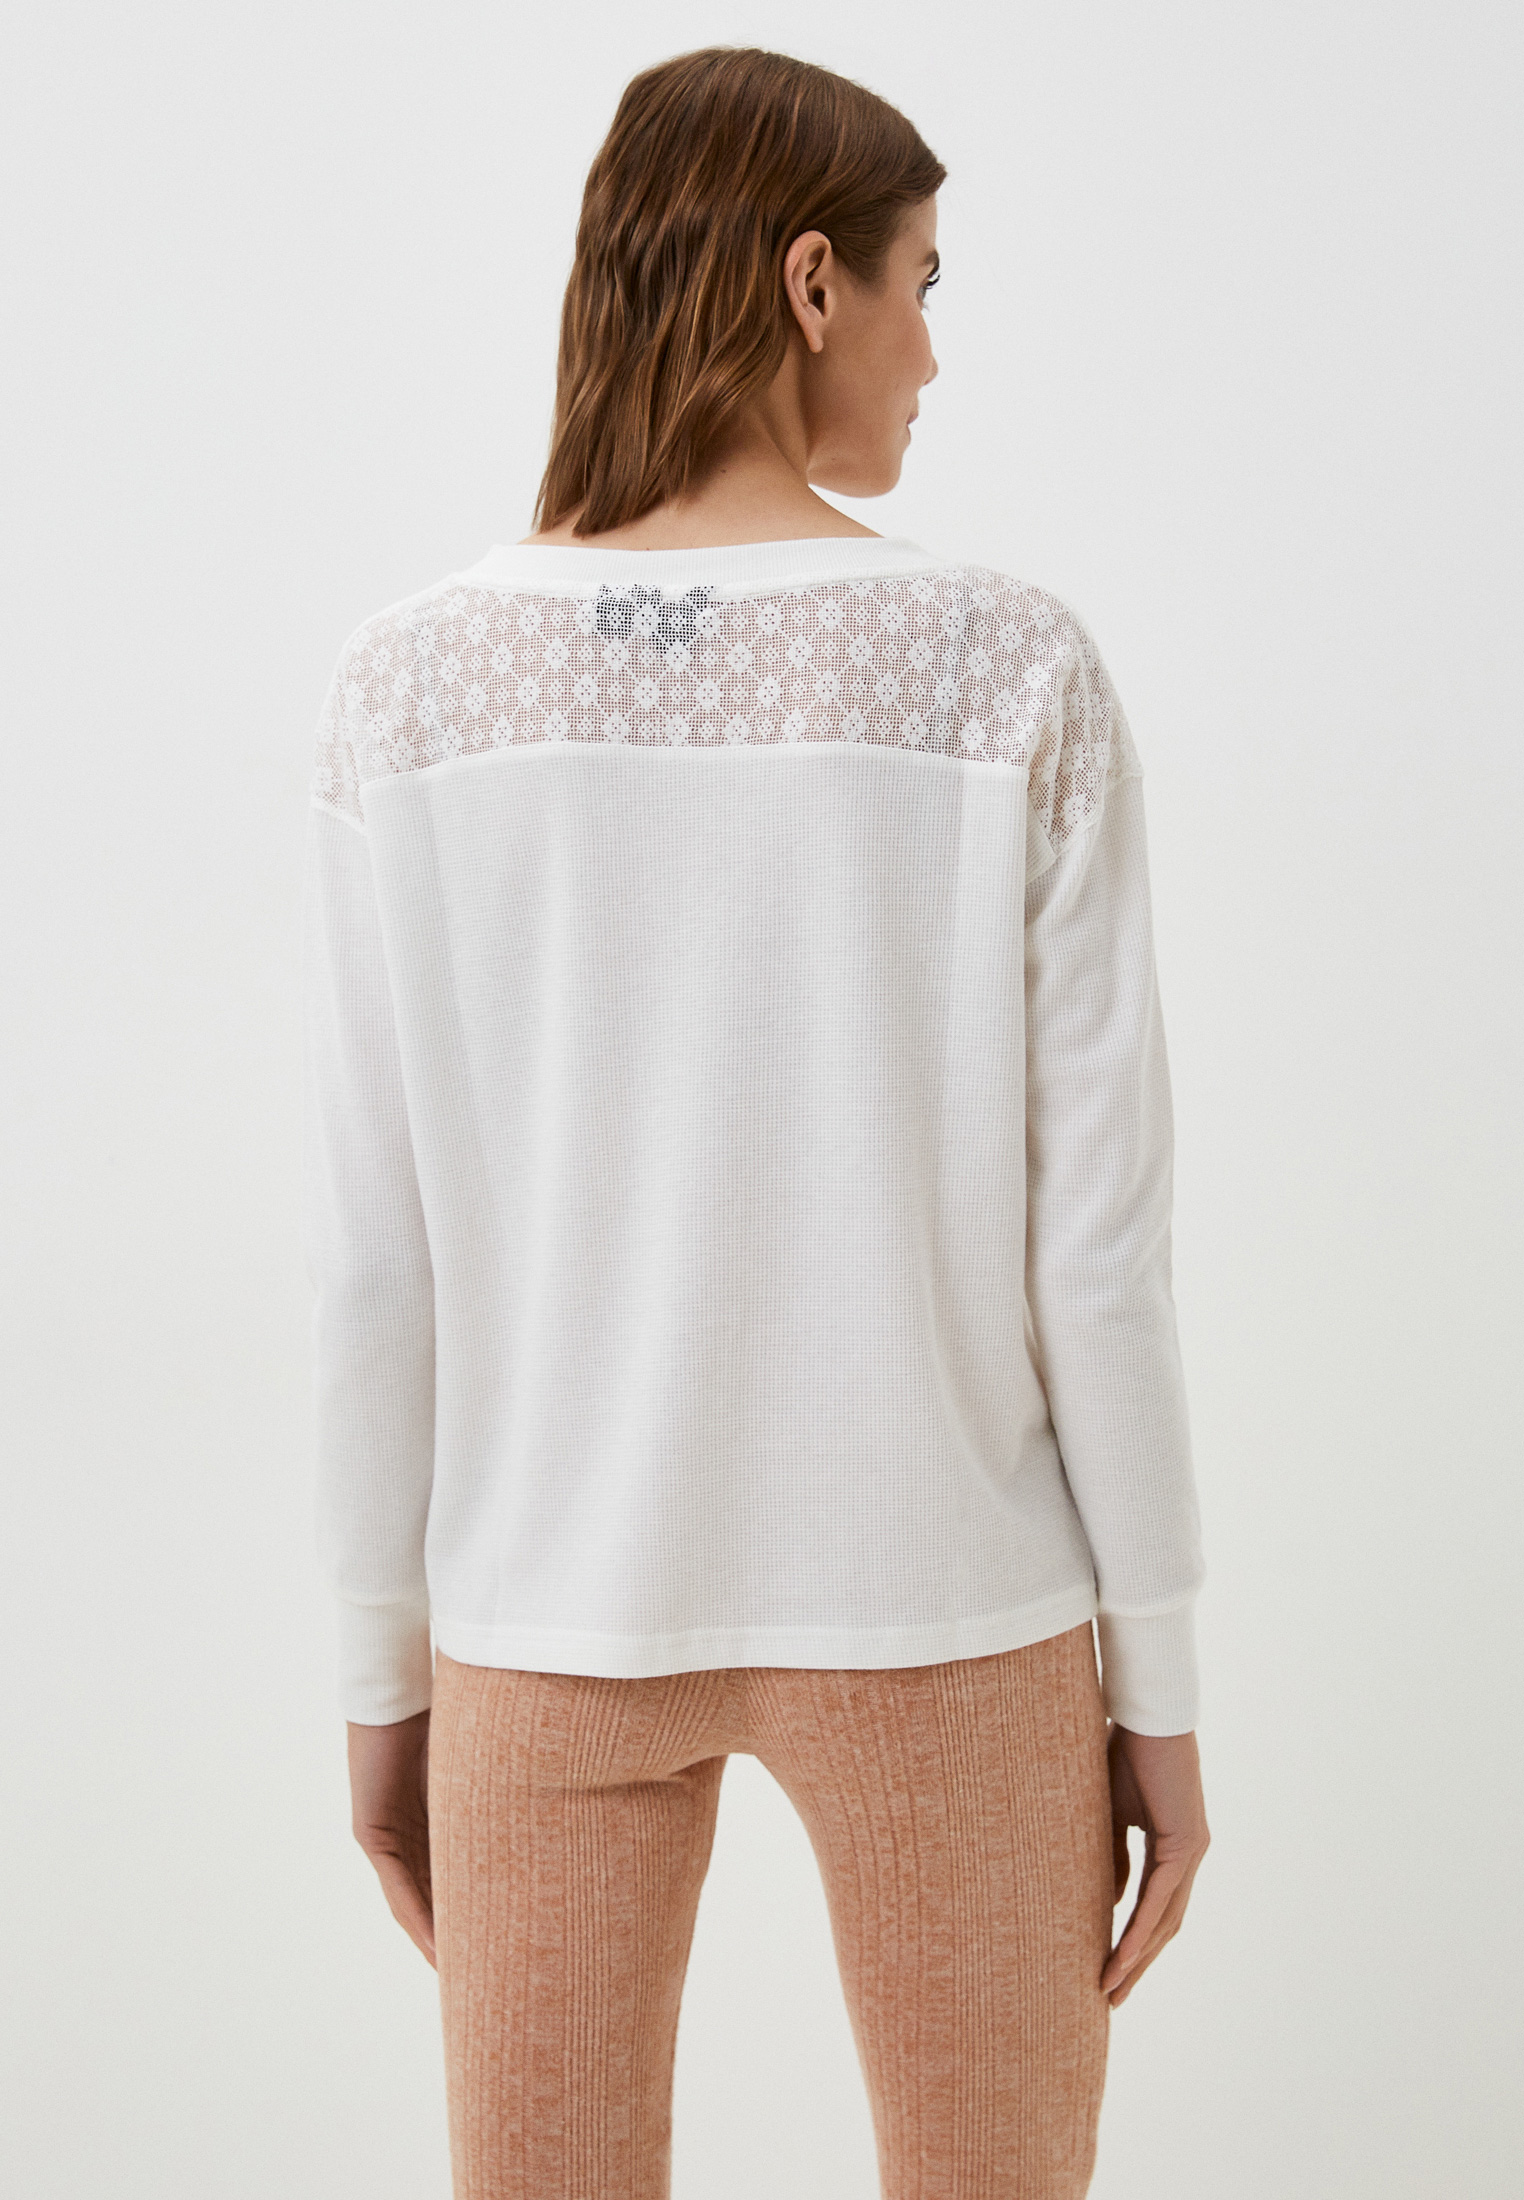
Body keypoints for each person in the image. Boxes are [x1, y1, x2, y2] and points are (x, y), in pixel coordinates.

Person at [303, 43, 1209, 2200]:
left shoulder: (407, 694)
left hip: (543, 1604)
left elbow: (376, 1255)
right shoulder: (1007, 671)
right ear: (813, 284)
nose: (933, 349)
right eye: (919, 281)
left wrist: (378, 1666)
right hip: (954, 1601)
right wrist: (1160, 1679)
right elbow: (1097, 1253)